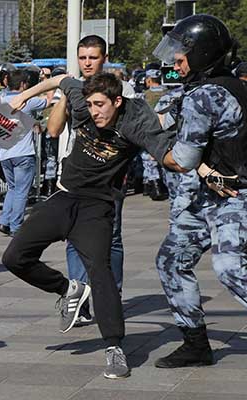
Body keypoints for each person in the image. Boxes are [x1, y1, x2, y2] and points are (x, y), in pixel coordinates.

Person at [4, 72, 173, 379]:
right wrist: (24, 96)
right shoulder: (82, 103)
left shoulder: (134, 123)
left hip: (97, 208)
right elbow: (61, 80)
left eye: (100, 106)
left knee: (100, 269)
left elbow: (166, 153)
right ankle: (68, 288)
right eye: (91, 105)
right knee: (13, 258)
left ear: (117, 102)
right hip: (64, 198)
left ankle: (114, 347)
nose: (94, 112)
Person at [154, 14, 247, 368]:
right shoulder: (230, 84)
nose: (176, 62)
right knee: (172, 260)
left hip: (235, 196)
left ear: (203, 54)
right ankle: (195, 344)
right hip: (211, 194)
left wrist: (153, 145)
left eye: (182, 54)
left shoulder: (205, 95)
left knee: (230, 266)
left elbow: (183, 157)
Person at [46, 35, 134, 325]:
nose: (87, 63)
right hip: (72, 174)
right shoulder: (73, 90)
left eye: (93, 57)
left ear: (104, 58)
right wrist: (65, 95)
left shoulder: (122, 91)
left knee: (112, 239)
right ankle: (79, 301)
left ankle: (112, 295)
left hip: (108, 178)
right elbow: (53, 130)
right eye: (82, 57)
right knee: (73, 238)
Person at [0, 70, 47, 237]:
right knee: (21, 191)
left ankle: (4, 221)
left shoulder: (1, 101)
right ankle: (16, 226)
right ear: (23, 84)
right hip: (23, 153)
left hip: (4, 153)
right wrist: (46, 80)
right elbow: (50, 100)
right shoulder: (27, 102)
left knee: (12, 188)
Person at [140, 65, 169, 201]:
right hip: (167, 130)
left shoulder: (145, 95)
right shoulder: (168, 93)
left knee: (148, 160)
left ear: (149, 79)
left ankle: (154, 186)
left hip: (150, 129)